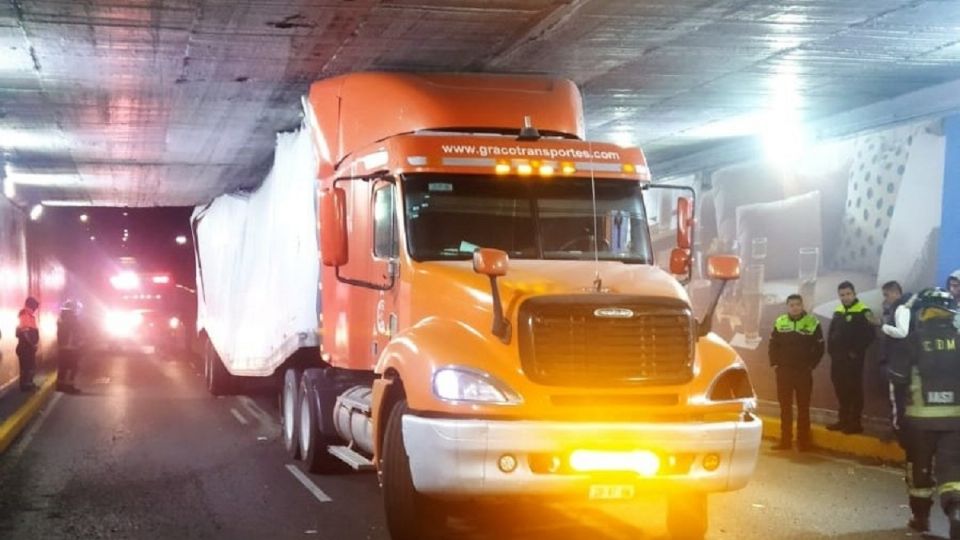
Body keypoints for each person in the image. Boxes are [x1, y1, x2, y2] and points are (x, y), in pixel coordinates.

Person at [891, 288, 960, 537]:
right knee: (953, 471)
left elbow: (897, 378)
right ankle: (956, 511)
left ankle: (921, 519)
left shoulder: (913, 340)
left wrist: (898, 421)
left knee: (919, 471)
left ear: (925, 312)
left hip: (919, 421)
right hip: (955, 421)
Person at [769, 294, 825, 451]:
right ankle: (785, 441)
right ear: (787, 307)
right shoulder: (780, 322)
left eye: (797, 304)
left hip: (803, 373)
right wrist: (775, 364)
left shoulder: (812, 322)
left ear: (802, 305)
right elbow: (773, 345)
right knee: (785, 407)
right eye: (792, 305)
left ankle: (803, 442)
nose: (795, 307)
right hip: (784, 372)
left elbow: (820, 348)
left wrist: (811, 366)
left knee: (803, 407)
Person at [827, 281, 877, 434]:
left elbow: (870, 335)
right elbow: (832, 333)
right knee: (840, 389)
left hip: (853, 360)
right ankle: (843, 421)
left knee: (853, 390)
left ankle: (855, 423)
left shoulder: (864, 311)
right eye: (842, 295)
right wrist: (832, 351)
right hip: (837, 359)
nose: (845, 297)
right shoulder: (838, 311)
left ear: (854, 294)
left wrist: (855, 352)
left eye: (848, 294)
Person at [880, 281, 913, 447]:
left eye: (886, 295)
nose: (885, 299)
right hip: (900, 363)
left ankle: (899, 433)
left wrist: (883, 326)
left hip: (898, 365)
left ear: (895, 292)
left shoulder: (902, 308)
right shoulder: (900, 308)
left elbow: (902, 332)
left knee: (897, 402)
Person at [56, 300, 85, 393]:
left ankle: (60, 386)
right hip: (71, 348)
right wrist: (80, 342)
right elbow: (77, 333)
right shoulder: (73, 319)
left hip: (62, 348)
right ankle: (70, 386)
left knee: (63, 367)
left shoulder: (61, 319)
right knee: (73, 367)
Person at [15, 296, 40, 392]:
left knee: (30, 367)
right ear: (31, 306)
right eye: (35, 307)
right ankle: (25, 386)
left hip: (28, 347)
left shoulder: (29, 315)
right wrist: (32, 345)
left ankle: (28, 384)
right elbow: (25, 332)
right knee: (27, 367)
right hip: (25, 347)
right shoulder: (25, 314)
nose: (35, 309)